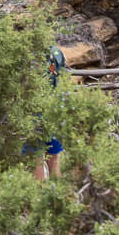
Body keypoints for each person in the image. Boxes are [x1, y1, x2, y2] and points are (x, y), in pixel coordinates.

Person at [28, 44, 69, 181]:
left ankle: (38, 198)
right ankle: (56, 196)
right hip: (55, 110)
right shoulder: (57, 52)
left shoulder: (29, 54)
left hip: (35, 113)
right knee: (54, 159)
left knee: (36, 158)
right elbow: (64, 79)